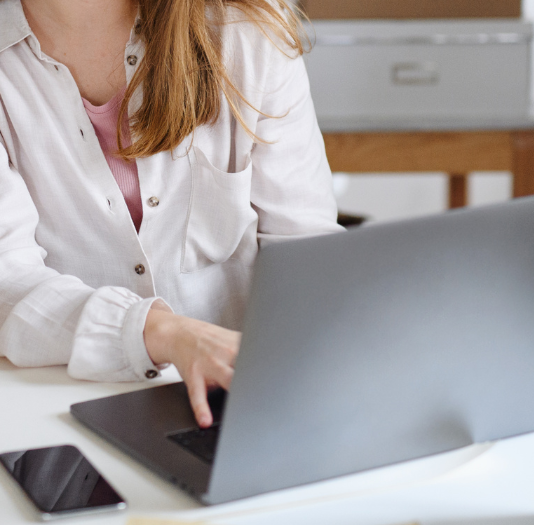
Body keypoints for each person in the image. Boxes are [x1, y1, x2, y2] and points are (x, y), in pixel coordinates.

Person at [0, 0, 343, 428]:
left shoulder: (247, 29)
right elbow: (7, 284)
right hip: (55, 413)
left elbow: (305, 251)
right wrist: (163, 333)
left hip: (241, 408)